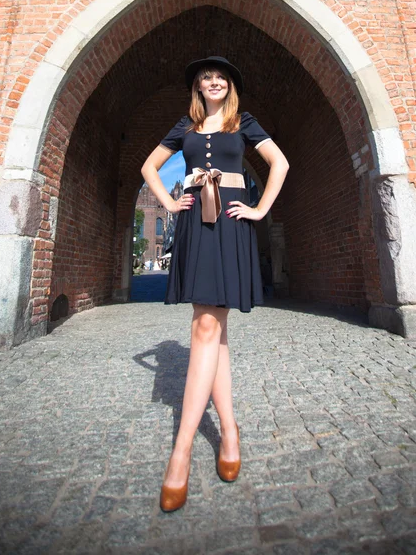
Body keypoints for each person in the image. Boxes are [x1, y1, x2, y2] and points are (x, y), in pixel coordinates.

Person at [141, 56, 289, 512]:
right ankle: (229, 430)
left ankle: (181, 449)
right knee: (214, 332)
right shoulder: (184, 124)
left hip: (228, 224)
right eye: (207, 77)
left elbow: (278, 163)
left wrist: (260, 209)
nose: (214, 81)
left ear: (230, 85)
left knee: (206, 328)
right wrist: (168, 201)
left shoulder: (244, 122)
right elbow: (149, 167)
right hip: (193, 226)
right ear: (198, 87)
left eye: (221, 76)